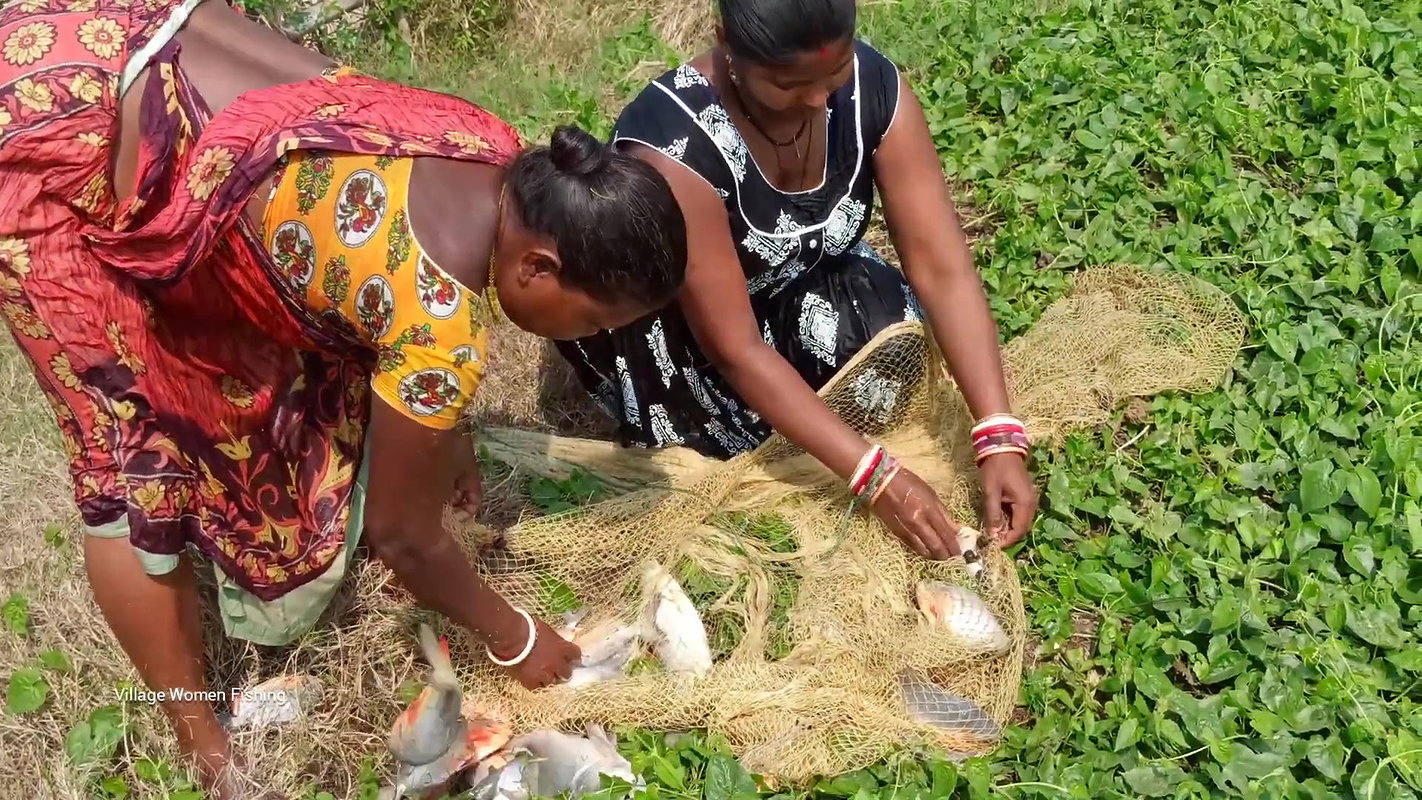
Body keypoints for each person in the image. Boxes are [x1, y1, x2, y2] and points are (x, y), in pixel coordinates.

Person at [0, 0, 687, 795]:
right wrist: (515, 637)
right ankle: (202, 745)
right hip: (44, 134)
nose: (593, 339)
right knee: (127, 464)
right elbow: (405, 537)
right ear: (535, 267)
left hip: (111, 30)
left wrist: (449, 433)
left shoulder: (485, 141)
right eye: (597, 319)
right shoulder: (440, 326)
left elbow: (365, 295)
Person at [555, 0, 1039, 560]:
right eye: (787, 84)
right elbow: (734, 347)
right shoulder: (673, 149)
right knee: (720, 466)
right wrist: (876, 477)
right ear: (726, 47)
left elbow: (941, 266)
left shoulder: (872, 89)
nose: (816, 101)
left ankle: (811, 419)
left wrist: (997, 434)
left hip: (791, 290)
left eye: (832, 77)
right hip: (691, 345)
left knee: (887, 329)